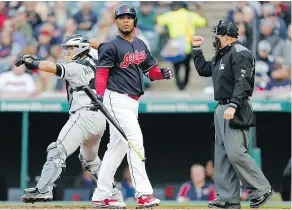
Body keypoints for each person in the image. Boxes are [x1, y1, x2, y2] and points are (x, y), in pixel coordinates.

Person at [18, 34, 123, 204]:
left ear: (81, 48)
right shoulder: (94, 63)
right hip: (99, 119)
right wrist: (37, 61)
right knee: (90, 161)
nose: (67, 51)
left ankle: (43, 190)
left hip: (84, 116)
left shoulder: (78, 66)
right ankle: (112, 193)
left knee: (57, 150)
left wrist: (34, 63)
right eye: (67, 47)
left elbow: (55, 68)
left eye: (71, 47)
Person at [90, 4, 172, 209]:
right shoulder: (111, 45)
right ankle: (143, 194)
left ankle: (101, 194)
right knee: (135, 140)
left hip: (132, 101)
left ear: (135, 21)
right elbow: (102, 72)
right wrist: (99, 95)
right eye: (121, 17)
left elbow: (150, 71)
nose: (125, 20)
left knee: (117, 148)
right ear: (116, 21)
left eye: (129, 17)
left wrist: (161, 74)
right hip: (115, 98)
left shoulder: (141, 44)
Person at [191, 20, 273, 209]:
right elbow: (204, 69)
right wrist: (196, 49)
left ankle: (261, 189)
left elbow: (243, 82)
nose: (216, 38)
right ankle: (228, 199)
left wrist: (234, 105)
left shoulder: (240, 52)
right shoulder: (223, 55)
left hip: (236, 107)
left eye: (218, 35)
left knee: (236, 153)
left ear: (226, 36)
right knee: (222, 155)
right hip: (221, 108)